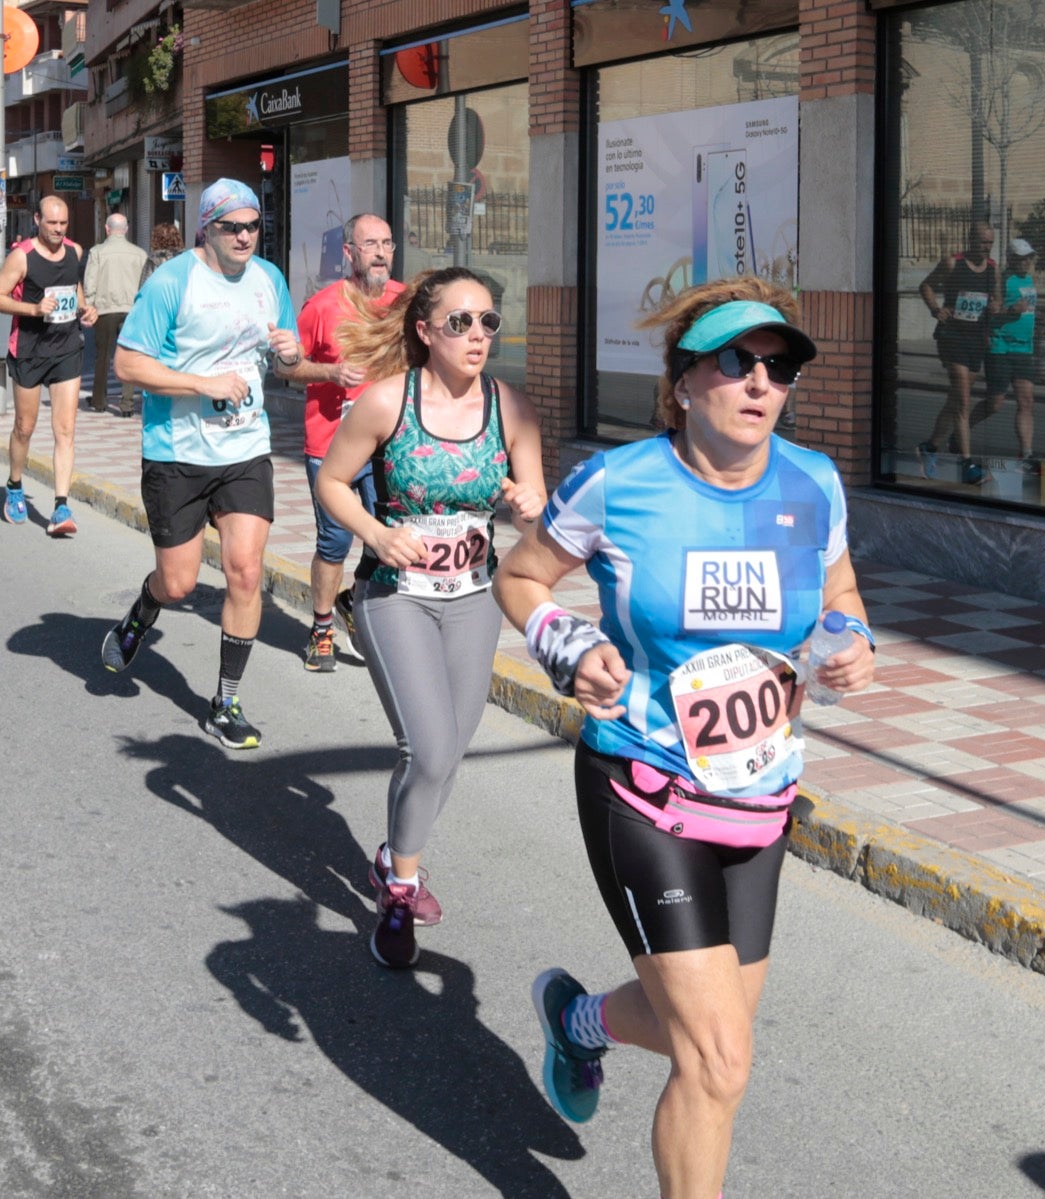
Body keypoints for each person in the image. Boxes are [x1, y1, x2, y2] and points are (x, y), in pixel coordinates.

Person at [490, 277, 875, 1197]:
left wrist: (852, 643)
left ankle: (580, 1022)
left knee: (700, 1032)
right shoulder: (619, 484)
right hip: (645, 787)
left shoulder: (813, 483)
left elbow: (843, 599)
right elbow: (522, 578)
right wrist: (569, 644)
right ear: (684, 382)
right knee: (720, 1060)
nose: (759, 383)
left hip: (760, 800)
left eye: (777, 368)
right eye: (735, 362)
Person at [317, 266, 544, 966]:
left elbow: (533, 488)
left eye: (487, 323)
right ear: (424, 330)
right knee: (431, 748)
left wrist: (527, 501)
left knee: (448, 754)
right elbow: (330, 480)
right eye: (459, 322)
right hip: (396, 595)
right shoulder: (388, 403)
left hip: (473, 596)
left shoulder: (510, 407)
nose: (476, 335)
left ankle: (393, 850)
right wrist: (378, 533)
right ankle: (400, 888)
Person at [101, 179, 303, 751]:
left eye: (253, 226)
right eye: (230, 226)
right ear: (205, 229)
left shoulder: (270, 279)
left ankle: (226, 702)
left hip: (245, 449)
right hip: (176, 452)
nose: (244, 236)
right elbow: (127, 365)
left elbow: (286, 359)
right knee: (179, 581)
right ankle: (141, 613)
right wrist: (201, 384)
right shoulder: (173, 282)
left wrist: (290, 356)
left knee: (244, 571)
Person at [284, 213, 406, 672]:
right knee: (334, 542)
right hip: (331, 444)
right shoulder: (322, 305)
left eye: (387, 243)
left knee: (386, 537)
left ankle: (353, 599)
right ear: (349, 253)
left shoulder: (405, 302)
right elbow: (286, 367)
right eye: (369, 243)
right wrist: (331, 372)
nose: (380, 252)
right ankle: (320, 630)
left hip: (388, 445)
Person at [0, 195, 98, 536]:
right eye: (52, 224)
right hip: (30, 350)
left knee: (65, 431)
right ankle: (15, 486)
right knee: (25, 427)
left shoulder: (76, 252)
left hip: (66, 348)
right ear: (37, 220)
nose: (59, 230)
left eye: (63, 224)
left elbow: (74, 291)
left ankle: (61, 505)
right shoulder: (22, 256)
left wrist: (85, 309)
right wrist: (35, 309)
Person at [917, 220, 999, 485]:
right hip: (952, 337)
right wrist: (936, 309)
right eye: (983, 242)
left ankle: (929, 446)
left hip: (976, 339)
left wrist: (995, 306)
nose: (987, 248)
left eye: (990, 243)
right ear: (970, 240)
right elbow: (926, 286)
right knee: (963, 401)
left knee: (955, 400)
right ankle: (967, 465)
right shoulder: (952, 263)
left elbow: (995, 298)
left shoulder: (992, 270)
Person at [971, 238, 1040, 473]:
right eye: (1022, 257)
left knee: (1026, 401)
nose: (1027, 261)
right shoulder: (1001, 280)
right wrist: (1011, 311)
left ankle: (1027, 453)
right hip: (1000, 348)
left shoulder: (1029, 280)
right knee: (995, 404)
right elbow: (989, 311)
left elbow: (1028, 311)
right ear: (1011, 259)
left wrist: (1043, 320)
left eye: (1029, 257)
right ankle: (960, 432)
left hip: (1024, 349)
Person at [83, 212, 149, 415]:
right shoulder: (140, 254)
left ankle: (99, 401)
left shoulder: (97, 252)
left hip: (105, 309)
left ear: (107, 229)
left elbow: (90, 282)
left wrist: (89, 305)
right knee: (129, 355)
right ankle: (127, 403)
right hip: (132, 310)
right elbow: (145, 284)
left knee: (102, 356)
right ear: (126, 230)